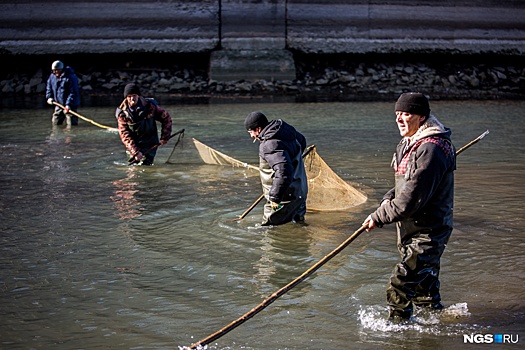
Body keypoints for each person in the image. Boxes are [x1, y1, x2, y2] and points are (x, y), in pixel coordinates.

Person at [363, 92, 456, 320]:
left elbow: (409, 200)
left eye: (406, 114)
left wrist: (379, 216)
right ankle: (434, 328)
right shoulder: (408, 144)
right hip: (409, 230)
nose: (399, 119)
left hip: (428, 233)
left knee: (400, 285)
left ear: (422, 117)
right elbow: (404, 186)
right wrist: (387, 199)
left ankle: (398, 333)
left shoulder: (431, 149)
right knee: (424, 288)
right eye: (397, 114)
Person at [244, 111, 308, 226]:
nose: (252, 136)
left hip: (284, 197)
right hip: (300, 191)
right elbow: (302, 141)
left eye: (251, 132)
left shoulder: (269, 145)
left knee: (269, 232)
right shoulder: (288, 132)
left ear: (258, 129)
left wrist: (274, 197)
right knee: (298, 225)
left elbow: (284, 171)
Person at [115, 83, 172, 166]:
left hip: (150, 143)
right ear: (126, 97)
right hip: (133, 143)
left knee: (146, 165)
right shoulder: (122, 113)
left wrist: (165, 137)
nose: (132, 99)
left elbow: (166, 118)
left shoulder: (150, 106)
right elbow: (124, 134)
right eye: (129, 96)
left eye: (134, 95)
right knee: (133, 168)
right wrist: (135, 152)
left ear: (138, 95)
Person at [45, 60, 81, 126]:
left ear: (61, 69)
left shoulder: (71, 78)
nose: (54, 72)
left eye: (56, 70)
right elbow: (49, 88)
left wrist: (68, 104)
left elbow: (73, 92)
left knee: (72, 125)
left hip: (70, 106)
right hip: (58, 104)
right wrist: (49, 97)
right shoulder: (52, 77)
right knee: (55, 123)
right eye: (53, 70)